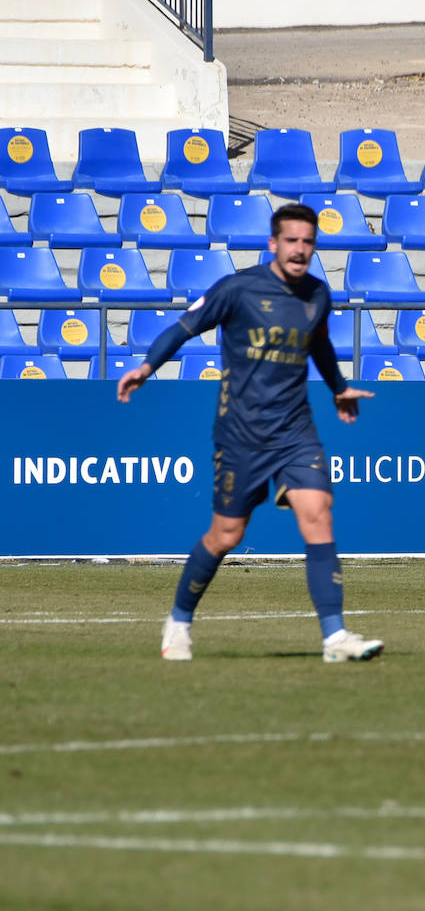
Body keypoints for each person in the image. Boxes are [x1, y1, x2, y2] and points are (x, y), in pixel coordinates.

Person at [116, 203, 383, 661]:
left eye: (308, 242)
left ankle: (335, 638)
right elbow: (184, 328)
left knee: (318, 513)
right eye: (292, 240)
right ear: (273, 243)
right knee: (226, 535)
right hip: (240, 434)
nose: (301, 250)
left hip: (295, 429)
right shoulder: (237, 289)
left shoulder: (318, 294)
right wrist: (146, 366)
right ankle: (178, 621)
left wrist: (338, 388)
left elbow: (319, 345)